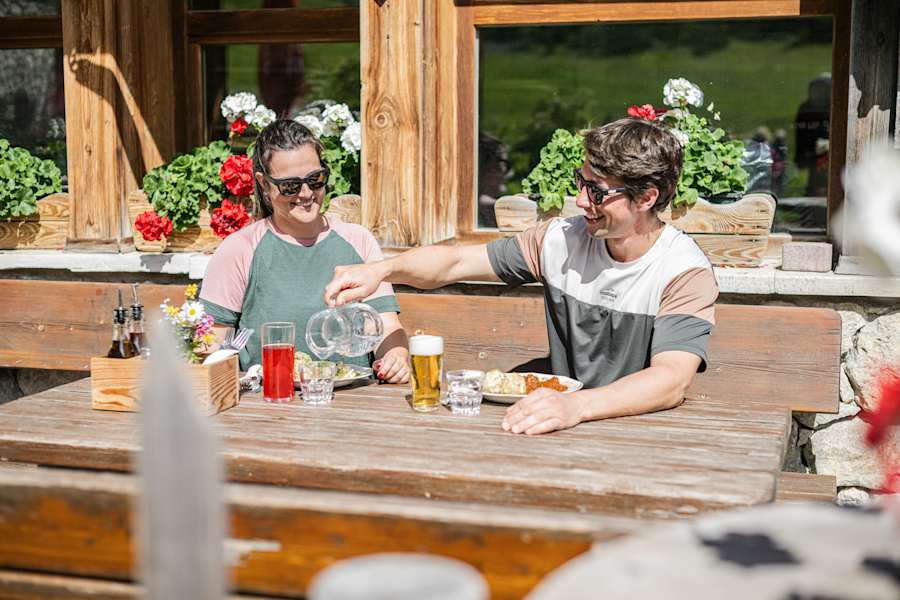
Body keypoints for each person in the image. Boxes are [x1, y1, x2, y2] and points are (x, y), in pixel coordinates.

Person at [324, 118, 718, 434]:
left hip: (641, 431)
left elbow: (671, 380)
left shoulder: (683, 270)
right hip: (554, 422)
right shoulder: (561, 239)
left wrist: (575, 406)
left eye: (597, 192)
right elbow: (455, 263)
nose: (581, 201)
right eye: (581, 183)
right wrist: (383, 268)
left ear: (647, 197)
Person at [200, 119, 410, 383]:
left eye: (315, 179)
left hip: (352, 400)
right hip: (270, 404)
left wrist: (396, 358)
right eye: (290, 185)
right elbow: (211, 345)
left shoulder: (358, 240)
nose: (306, 193)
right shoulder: (240, 249)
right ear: (263, 184)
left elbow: (387, 327)